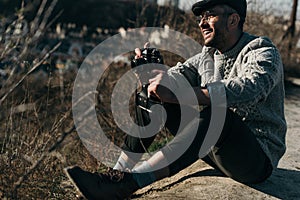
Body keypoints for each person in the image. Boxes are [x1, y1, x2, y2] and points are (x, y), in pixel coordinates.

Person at [64, 0, 287, 199]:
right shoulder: (206, 57)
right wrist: (153, 74)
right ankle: (115, 176)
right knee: (151, 96)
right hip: (217, 150)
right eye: (200, 18)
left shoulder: (261, 50)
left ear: (233, 19)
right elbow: (173, 78)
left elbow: (251, 89)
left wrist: (183, 93)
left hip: (255, 159)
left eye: (209, 15)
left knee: (216, 115)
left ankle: (131, 183)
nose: (202, 23)